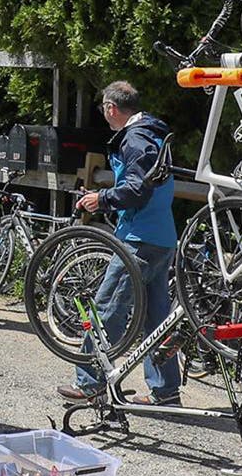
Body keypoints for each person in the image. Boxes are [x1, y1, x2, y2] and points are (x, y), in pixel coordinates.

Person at [61, 80, 181, 406]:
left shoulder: (136, 138)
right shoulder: (154, 133)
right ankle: (166, 390)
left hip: (139, 239)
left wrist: (100, 198)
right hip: (162, 236)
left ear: (111, 108)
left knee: (106, 308)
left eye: (103, 108)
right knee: (156, 319)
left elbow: (136, 189)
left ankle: (91, 384)